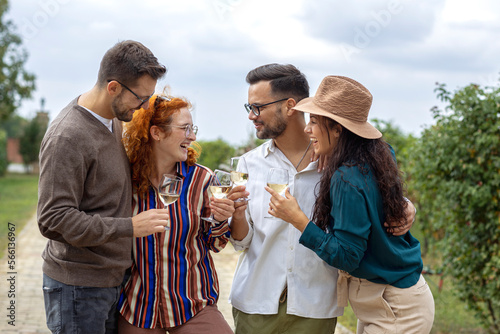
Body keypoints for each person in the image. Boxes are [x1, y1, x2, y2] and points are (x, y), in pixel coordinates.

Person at [228, 64, 416, 334]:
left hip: (314, 307)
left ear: (290, 105)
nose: (251, 116)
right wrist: (234, 213)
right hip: (256, 304)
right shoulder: (248, 164)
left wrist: (407, 206)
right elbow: (241, 241)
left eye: (257, 107)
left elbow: (378, 193)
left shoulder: (338, 165)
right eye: (249, 108)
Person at [267, 75, 435, 333]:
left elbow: (346, 256)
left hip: (395, 309)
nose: (306, 129)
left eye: (314, 121)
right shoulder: (379, 153)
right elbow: (381, 201)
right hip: (388, 301)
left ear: (338, 129)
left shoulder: (346, 178)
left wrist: (297, 219)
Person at [37, 40, 169, 334]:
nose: (145, 106)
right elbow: (52, 219)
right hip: (78, 287)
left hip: (110, 282)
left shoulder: (114, 120)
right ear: (113, 87)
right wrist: (129, 227)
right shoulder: (67, 137)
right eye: (141, 98)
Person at [117, 93, 235, 334]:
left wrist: (221, 220)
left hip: (193, 304)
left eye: (193, 129)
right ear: (156, 133)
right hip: (139, 307)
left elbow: (216, 243)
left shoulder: (202, 180)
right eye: (185, 129)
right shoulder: (125, 179)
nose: (192, 136)